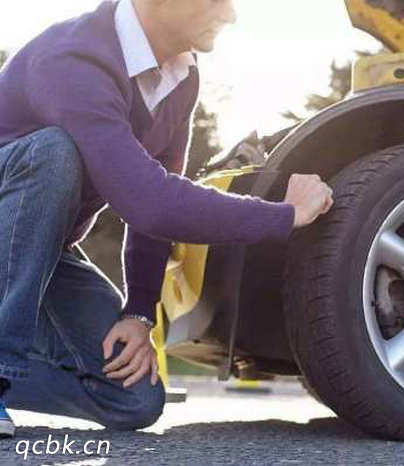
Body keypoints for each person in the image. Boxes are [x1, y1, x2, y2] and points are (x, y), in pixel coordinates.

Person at [0, 0, 333, 437]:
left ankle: (10, 381)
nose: (230, 14)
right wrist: (283, 215)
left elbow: (158, 204)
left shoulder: (181, 77)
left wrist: (139, 312)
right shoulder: (72, 60)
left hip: (42, 250)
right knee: (53, 154)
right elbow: (149, 201)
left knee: (132, 399)